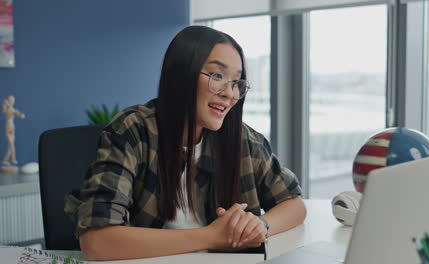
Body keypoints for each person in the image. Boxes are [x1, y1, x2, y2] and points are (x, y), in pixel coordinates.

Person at [65, 25, 306, 261]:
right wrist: (211, 237)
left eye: (237, 82)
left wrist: (260, 225)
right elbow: (97, 242)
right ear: (182, 75)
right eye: (217, 76)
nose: (230, 93)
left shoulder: (243, 140)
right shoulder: (134, 131)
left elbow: (294, 204)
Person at [2, 95, 25, 166]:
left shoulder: (13, 109)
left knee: (10, 147)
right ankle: (13, 159)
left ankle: (5, 160)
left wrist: (20, 114)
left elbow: (21, 115)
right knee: (11, 145)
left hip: (12, 128)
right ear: (9, 101)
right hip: (8, 127)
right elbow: (4, 111)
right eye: (11, 101)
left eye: (13, 101)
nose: (12, 102)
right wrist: (6, 104)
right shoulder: (7, 108)